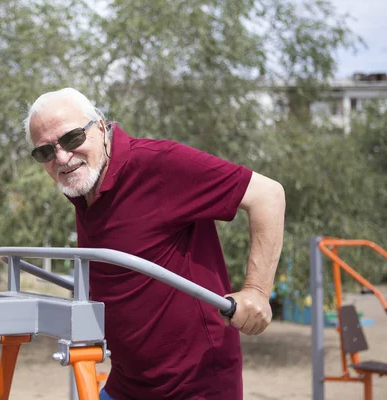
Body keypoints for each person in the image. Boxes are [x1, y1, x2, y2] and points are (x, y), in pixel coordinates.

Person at [23, 87, 285, 400]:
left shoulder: (158, 164)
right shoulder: (83, 188)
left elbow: (268, 195)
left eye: (72, 139)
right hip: (126, 383)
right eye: (45, 152)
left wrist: (256, 291)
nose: (62, 158)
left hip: (194, 387)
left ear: (101, 126)